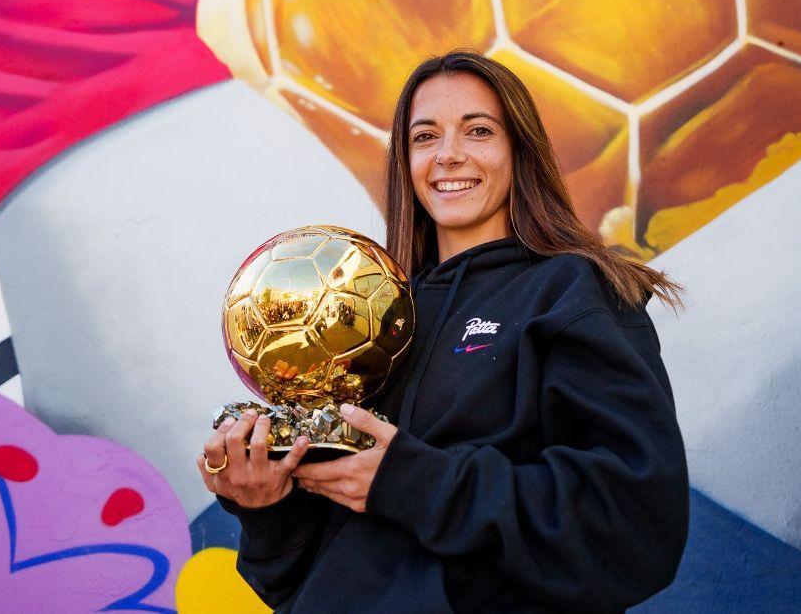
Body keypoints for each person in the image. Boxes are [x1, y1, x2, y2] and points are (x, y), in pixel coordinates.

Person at [196, 50, 689, 612]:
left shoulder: (574, 293)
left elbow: (633, 528)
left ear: (518, 151)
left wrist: (414, 482)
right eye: (425, 137)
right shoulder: (374, 322)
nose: (449, 155)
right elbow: (304, 581)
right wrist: (266, 505)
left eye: (478, 131)